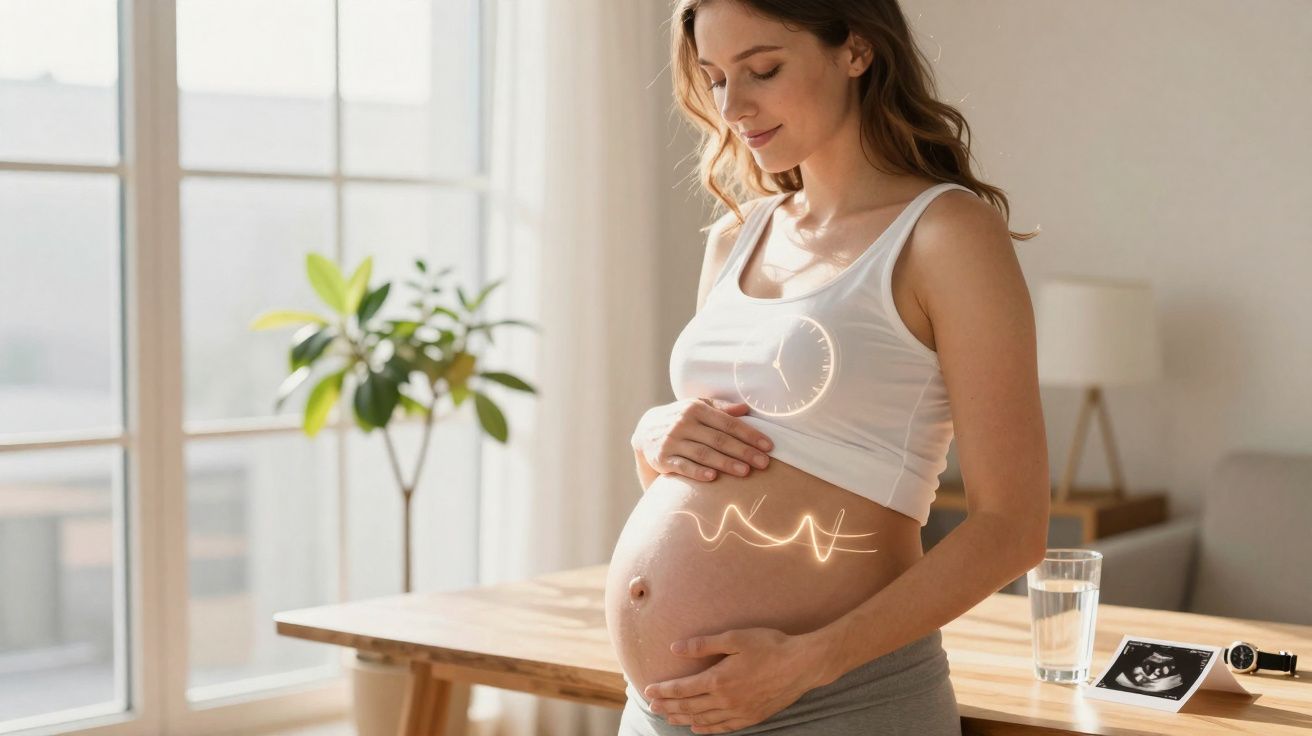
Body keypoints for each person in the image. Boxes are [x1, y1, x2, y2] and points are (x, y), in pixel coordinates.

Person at [609, 1, 1048, 733]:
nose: (733, 106)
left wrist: (807, 661)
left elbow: (1013, 526)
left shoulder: (946, 235)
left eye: (764, 69)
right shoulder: (736, 238)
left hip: (835, 701)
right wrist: (654, 442)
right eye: (716, 78)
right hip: (663, 713)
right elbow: (734, 471)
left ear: (856, 50)